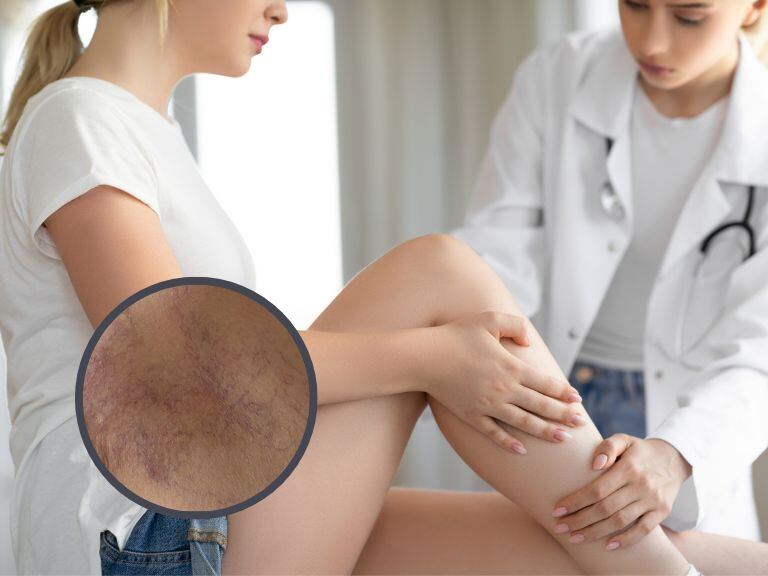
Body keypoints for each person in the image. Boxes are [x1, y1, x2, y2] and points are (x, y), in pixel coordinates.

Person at [0, 0, 765, 575]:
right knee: (437, 271)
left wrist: (443, 358)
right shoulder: (79, 118)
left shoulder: (140, 129)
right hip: (142, 534)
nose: (282, 10)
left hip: (203, 508)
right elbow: (181, 366)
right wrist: (429, 359)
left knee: (583, 549)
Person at [451, 0, 768, 546]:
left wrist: (680, 454)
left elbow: (761, 347)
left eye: (690, 16)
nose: (651, 43)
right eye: (634, 5)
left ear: (754, 7)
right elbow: (495, 255)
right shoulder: (558, 78)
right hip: (552, 393)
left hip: (692, 416)